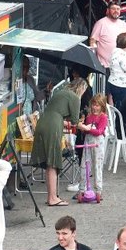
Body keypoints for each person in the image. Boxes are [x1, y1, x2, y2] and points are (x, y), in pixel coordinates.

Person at [33, 78, 80, 207]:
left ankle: (51, 196)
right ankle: (53, 198)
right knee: (53, 162)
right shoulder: (75, 97)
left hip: (43, 122)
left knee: (49, 163)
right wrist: (85, 126)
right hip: (53, 126)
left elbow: (56, 113)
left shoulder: (60, 93)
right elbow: (75, 120)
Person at [70, 94, 108, 199]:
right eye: (93, 105)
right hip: (88, 141)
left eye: (97, 105)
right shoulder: (89, 117)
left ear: (102, 106)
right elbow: (85, 131)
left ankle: (98, 189)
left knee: (97, 166)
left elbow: (99, 131)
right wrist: (82, 128)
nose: (95, 108)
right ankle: (82, 189)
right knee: (84, 165)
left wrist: (87, 129)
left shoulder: (103, 117)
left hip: (98, 143)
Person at [90, 1, 126, 70]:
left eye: (118, 9)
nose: (116, 11)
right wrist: (94, 58)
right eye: (113, 9)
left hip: (120, 65)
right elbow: (93, 40)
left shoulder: (123, 24)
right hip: (104, 66)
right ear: (107, 10)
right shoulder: (100, 23)